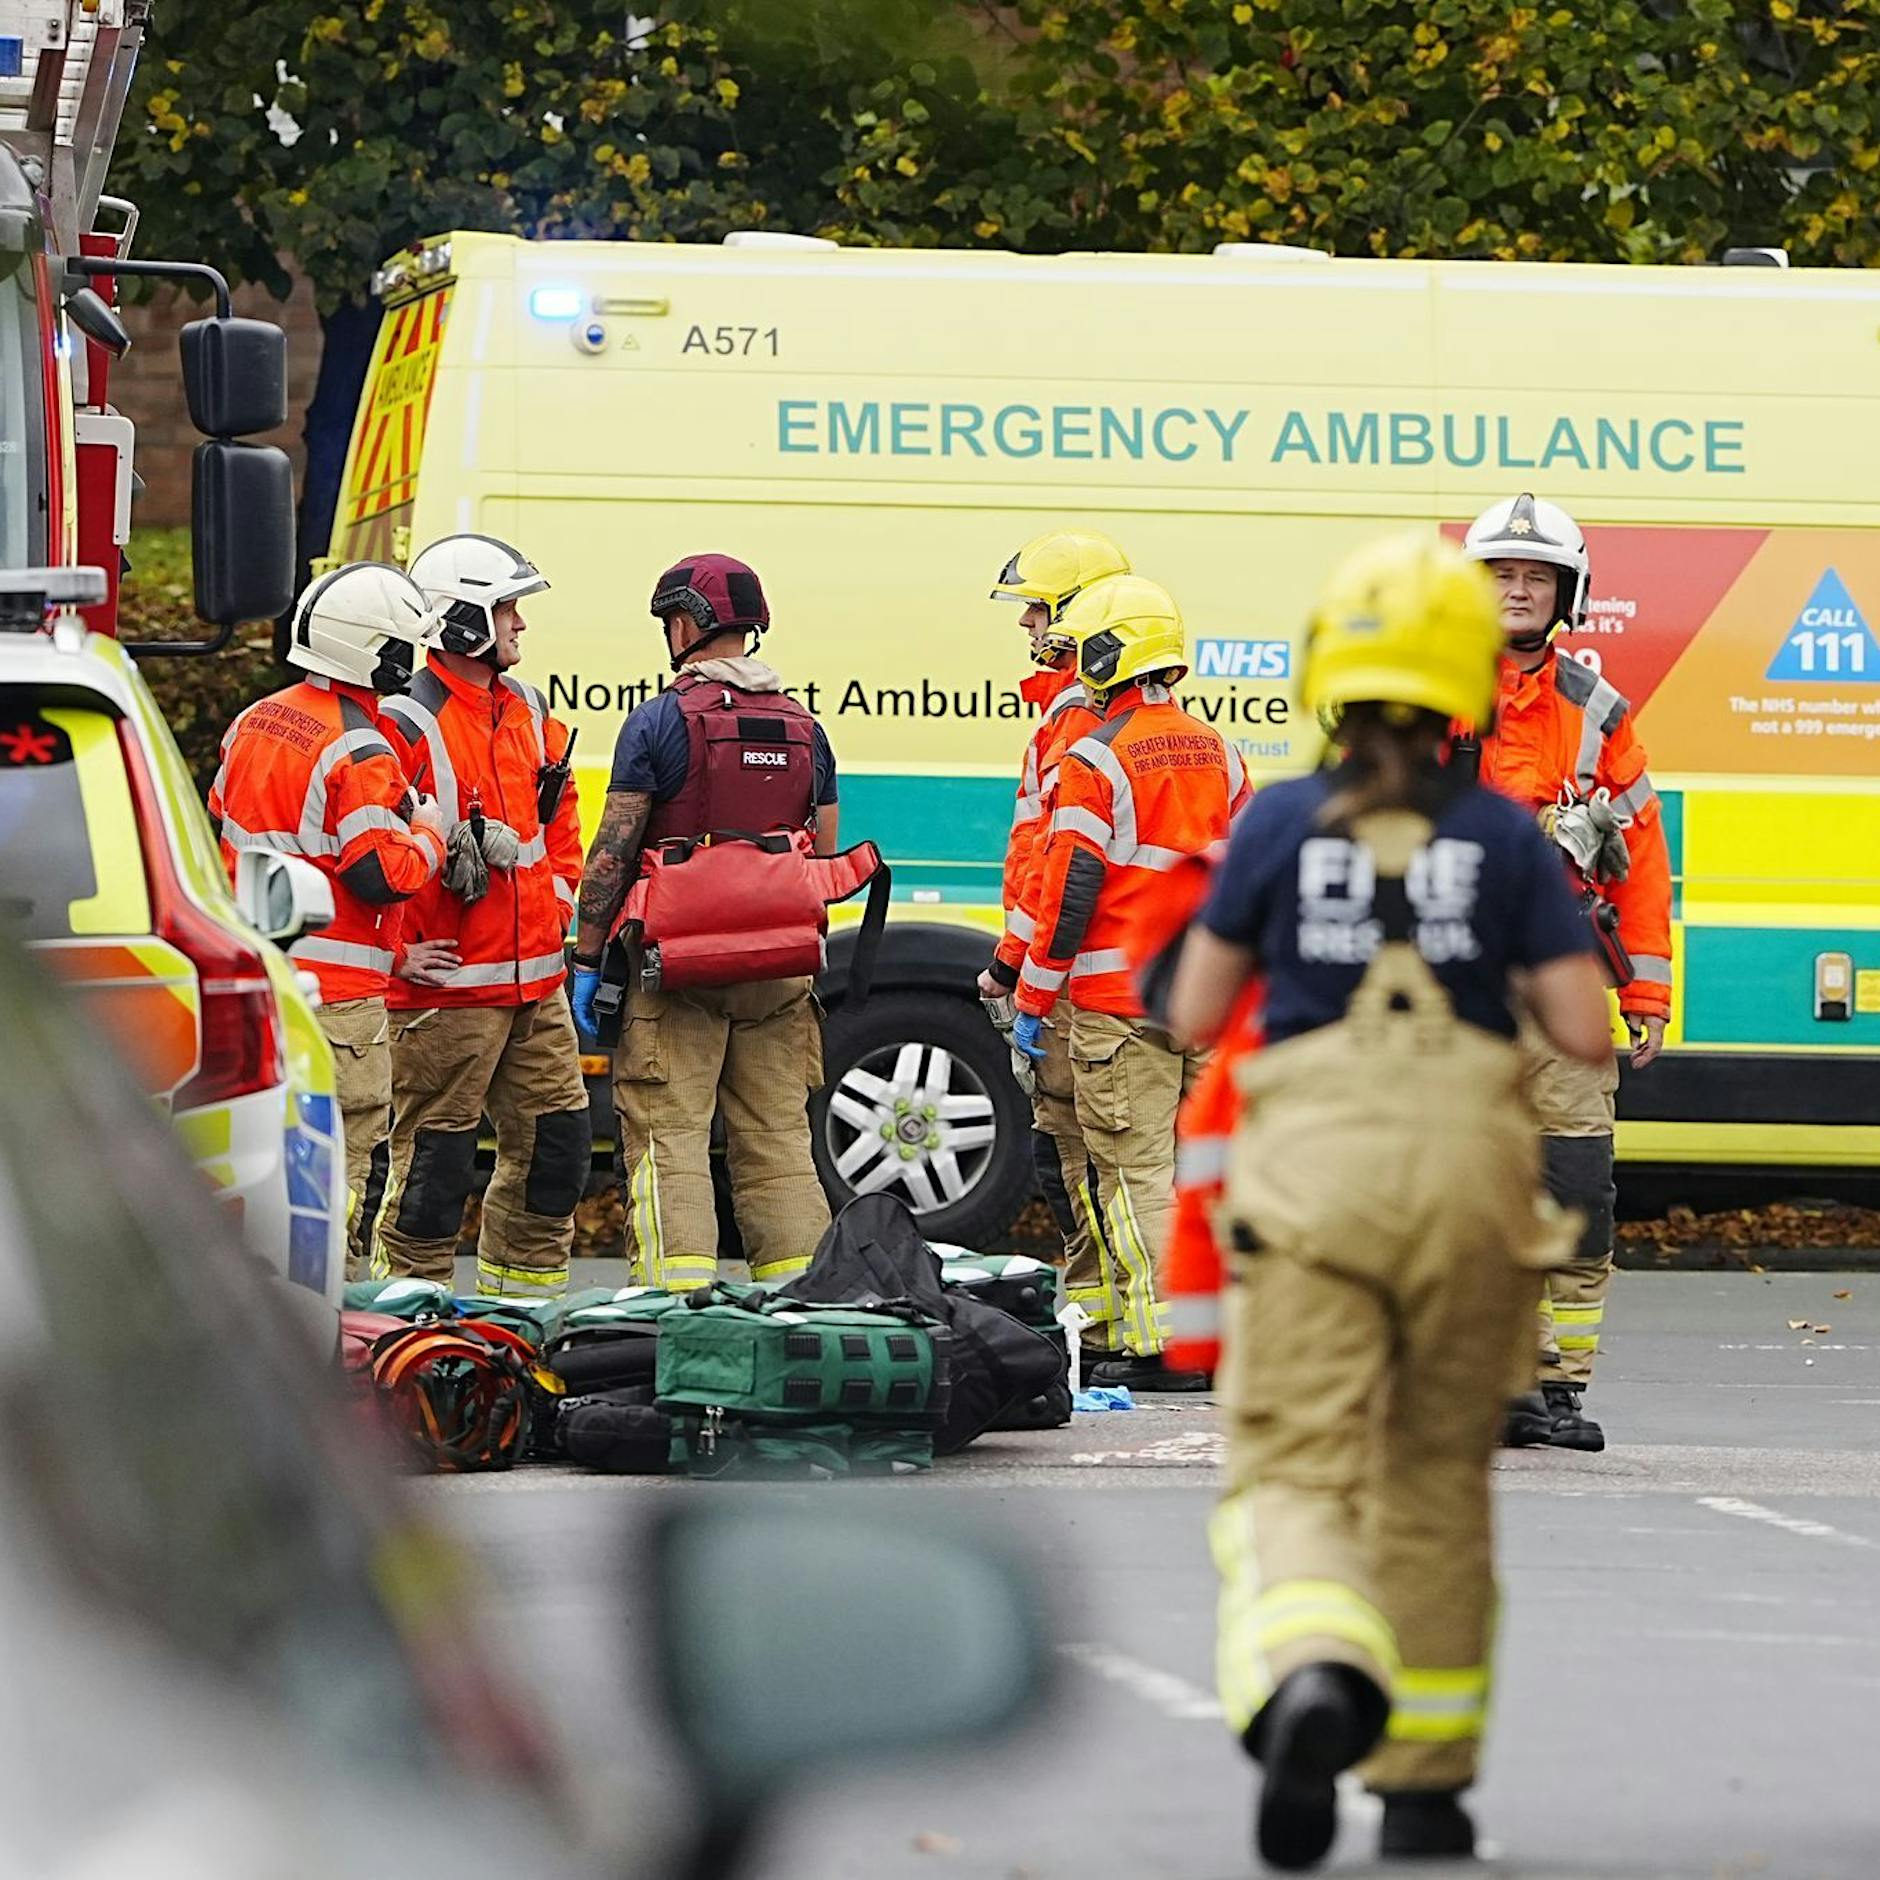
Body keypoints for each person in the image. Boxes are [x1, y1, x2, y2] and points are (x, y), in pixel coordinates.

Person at [1164, 532, 1611, 1870]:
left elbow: (1194, 1011)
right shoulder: (1506, 836)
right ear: (1466, 676)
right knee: (1434, 1485)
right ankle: (1426, 1792)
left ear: (1328, 673)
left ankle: (1310, 1668)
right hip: (1471, 1190)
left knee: (1299, 1464)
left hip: (1314, 1188)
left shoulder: (1281, 821)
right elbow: (1582, 1030)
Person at [1461, 492, 1673, 1452]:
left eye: (1534, 575)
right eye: (1501, 573)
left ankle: (1556, 1389)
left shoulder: (1597, 713)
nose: (1517, 589)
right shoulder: (1422, 700)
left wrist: (1649, 993)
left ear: (1565, 593)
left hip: (1566, 990)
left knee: (1575, 1183)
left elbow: (1642, 860)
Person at [570, 553, 839, 1294]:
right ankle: (801, 1307)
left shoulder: (658, 722)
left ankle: (674, 1306)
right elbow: (824, 844)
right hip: (779, 971)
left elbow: (613, 850)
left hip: (676, 966)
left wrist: (587, 957)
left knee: (669, 1136)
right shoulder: (804, 727)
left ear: (685, 624)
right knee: (778, 1142)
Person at [1014, 572, 1250, 1391]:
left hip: (1118, 1004)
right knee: (1198, 1173)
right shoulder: (1222, 750)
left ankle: (1167, 1344)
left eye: (1084, 652)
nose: (1075, 668)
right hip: (1206, 1001)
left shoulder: (1094, 757)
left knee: (1133, 1171)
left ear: (1111, 656)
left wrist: (1033, 998)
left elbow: (1069, 887)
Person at [210, 562, 447, 1277]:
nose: (413, 662)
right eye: (405, 647)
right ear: (372, 650)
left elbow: (226, 824)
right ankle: (338, 1308)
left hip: (256, 978)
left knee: (261, 1157)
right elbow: (381, 875)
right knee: (351, 1160)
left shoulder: (258, 719)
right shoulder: (364, 749)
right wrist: (430, 834)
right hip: (339, 1007)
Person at [371, 533, 588, 1299]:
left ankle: (522, 1320)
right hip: (447, 996)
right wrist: (396, 955)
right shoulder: (405, 720)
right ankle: (408, 1330)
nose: (521, 624)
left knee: (558, 1152)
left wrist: (559, 901)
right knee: (433, 1177)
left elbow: (558, 820)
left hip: (536, 986)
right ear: (464, 620)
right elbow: (364, 851)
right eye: (507, 609)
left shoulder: (526, 707)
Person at [976, 528, 1131, 1353]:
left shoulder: (1079, 720)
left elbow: (1058, 863)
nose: (1027, 626)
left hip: (1073, 979)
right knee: (1080, 1156)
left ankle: (1111, 1323)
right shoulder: (1080, 714)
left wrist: (1017, 966)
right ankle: (1104, 1318)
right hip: (1073, 971)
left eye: (1038, 610)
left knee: (1079, 1155)